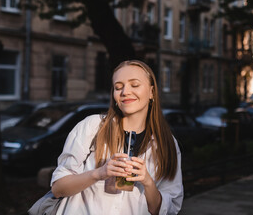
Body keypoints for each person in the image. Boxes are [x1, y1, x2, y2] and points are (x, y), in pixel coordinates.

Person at [51, 60, 183, 215]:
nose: (125, 92)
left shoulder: (167, 144)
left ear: (152, 92)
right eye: (118, 87)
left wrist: (147, 182)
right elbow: (58, 188)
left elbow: (166, 210)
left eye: (134, 85)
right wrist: (99, 173)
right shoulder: (92, 126)